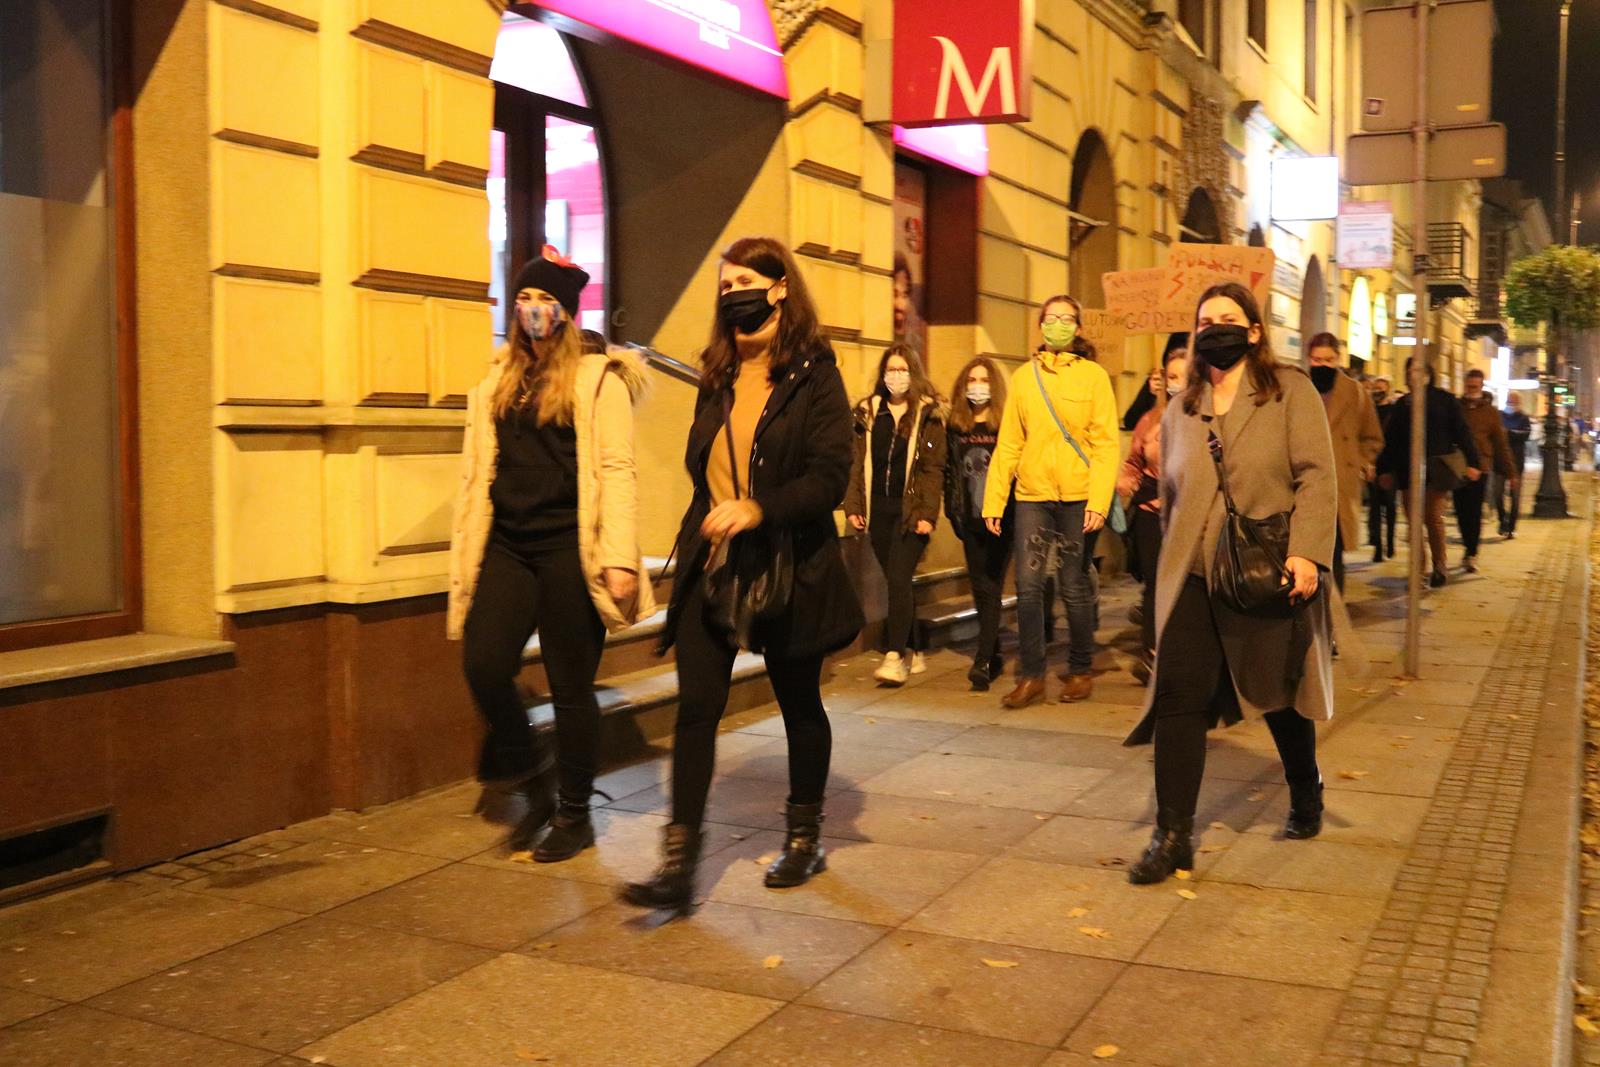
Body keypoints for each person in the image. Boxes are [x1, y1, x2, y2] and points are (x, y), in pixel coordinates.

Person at [624, 237, 862, 912]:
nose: (732, 295)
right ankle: (679, 862)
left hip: (788, 563)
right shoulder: (718, 374)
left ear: (780, 288)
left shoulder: (815, 373)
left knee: (798, 703)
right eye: (724, 285)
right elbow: (705, 470)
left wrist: (759, 508)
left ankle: (804, 835)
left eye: (745, 283)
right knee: (696, 709)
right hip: (716, 564)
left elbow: (830, 475)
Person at [1123, 282, 1338, 885]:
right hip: (1193, 573)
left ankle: (1305, 788)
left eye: (1227, 318)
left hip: (1261, 568)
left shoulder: (1288, 391)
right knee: (1179, 698)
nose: (1214, 328)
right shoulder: (1181, 407)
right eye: (1204, 321)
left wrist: (1307, 554)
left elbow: (1317, 477)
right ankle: (1172, 835)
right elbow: (1170, 497)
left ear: (1253, 331)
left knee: (1276, 693)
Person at [448, 246, 655, 861]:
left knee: (570, 687)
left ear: (566, 312)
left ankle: (574, 813)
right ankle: (533, 780)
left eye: (545, 299)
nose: (532, 309)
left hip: (571, 545)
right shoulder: (498, 380)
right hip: (509, 545)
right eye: (524, 298)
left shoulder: (597, 380)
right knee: (484, 664)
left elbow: (617, 469)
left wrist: (619, 557)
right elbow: (479, 471)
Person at [983, 294, 1119, 708]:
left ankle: (1080, 669)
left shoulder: (1094, 377)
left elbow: (1106, 445)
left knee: (1073, 585)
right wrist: (994, 500)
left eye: (1066, 318)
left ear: (1078, 328)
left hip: (1079, 496)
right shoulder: (1024, 378)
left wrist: (1099, 501)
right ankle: (1032, 676)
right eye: (1051, 317)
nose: (1058, 324)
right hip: (1033, 495)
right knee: (1027, 587)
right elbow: (1010, 442)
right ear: (1040, 324)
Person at [846, 344, 948, 686]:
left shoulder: (927, 415)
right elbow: (855, 464)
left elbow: (933, 470)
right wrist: (854, 506)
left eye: (903, 370)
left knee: (899, 578)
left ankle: (894, 656)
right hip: (878, 510)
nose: (897, 376)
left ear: (913, 374)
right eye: (891, 369)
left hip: (911, 511)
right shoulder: (868, 413)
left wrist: (927, 513)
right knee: (896, 581)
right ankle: (914, 647)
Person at [1376, 359, 1481, 588]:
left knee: (1433, 517)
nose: (1414, 375)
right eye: (1410, 371)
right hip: (1407, 470)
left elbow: (1462, 432)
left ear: (1428, 373)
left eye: (1419, 370)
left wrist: (1473, 462)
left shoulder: (1444, 400)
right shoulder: (1403, 404)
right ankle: (1419, 571)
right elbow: (1391, 440)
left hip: (1436, 470)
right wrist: (1383, 469)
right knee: (1414, 523)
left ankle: (1439, 564)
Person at [1117, 348, 1189, 684]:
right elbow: (1134, 461)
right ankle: (1152, 654)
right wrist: (1126, 480)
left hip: (1186, 515)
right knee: (1154, 585)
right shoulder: (1150, 420)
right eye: (1172, 376)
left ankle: (1182, 652)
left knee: (1185, 586)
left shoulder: (1206, 418)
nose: (1177, 383)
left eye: (1184, 376)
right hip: (1150, 514)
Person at [945, 357, 1013, 691]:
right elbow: (950, 470)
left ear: (994, 385)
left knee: (991, 585)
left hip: (1001, 517)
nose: (977, 386)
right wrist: (952, 511)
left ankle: (982, 660)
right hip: (969, 517)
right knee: (979, 586)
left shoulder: (1005, 424)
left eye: (984, 380)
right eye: (971, 379)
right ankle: (994, 650)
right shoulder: (956, 425)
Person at [1306, 334, 1383, 593]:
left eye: (1328, 360)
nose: (1323, 365)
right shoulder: (1299, 387)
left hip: (1339, 482)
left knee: (1334, 551)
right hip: (1303, 482)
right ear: (1309, 358)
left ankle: (1333, 605)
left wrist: (1359, 462)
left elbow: (1372, 436)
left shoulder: (1355, 392)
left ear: (1338, 359)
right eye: (1317, 360)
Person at [1456, 370, 1514, 572]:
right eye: (1468, 386)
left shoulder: (1490, 412)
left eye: (1475, 386)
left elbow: (1500, 443)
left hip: (1481, 467)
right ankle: (1467, 545)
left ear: (1481, 387)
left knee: (1474, 510)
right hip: (1458, 465)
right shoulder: (1457, 407)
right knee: (1461, 511)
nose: (1471, 390)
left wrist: (1511, 472)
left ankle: (1472, 552)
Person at [1367, 376, 1399, 562]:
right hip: (1372, 464)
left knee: (1390, 505)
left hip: (1389, 465)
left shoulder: (1393, 412)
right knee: (1375, 507)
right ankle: (1378, 547)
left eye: (1381, 388)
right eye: (1375, 388)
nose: (1377, 391)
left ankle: (1390, 542)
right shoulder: (1368, 410)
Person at [1499, 393, 1532, 538]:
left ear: (1519, 403)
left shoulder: (1523, 418)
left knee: (1515, 495)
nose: (1510, 404)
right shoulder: (1500, 415)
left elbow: (1525, 435)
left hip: (1516, 462)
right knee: (1497, 494)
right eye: (1509, 401)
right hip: (1500, 461)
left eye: (1513, 402)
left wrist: (1508, 433)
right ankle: (1502, 520)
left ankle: (1511, 527)